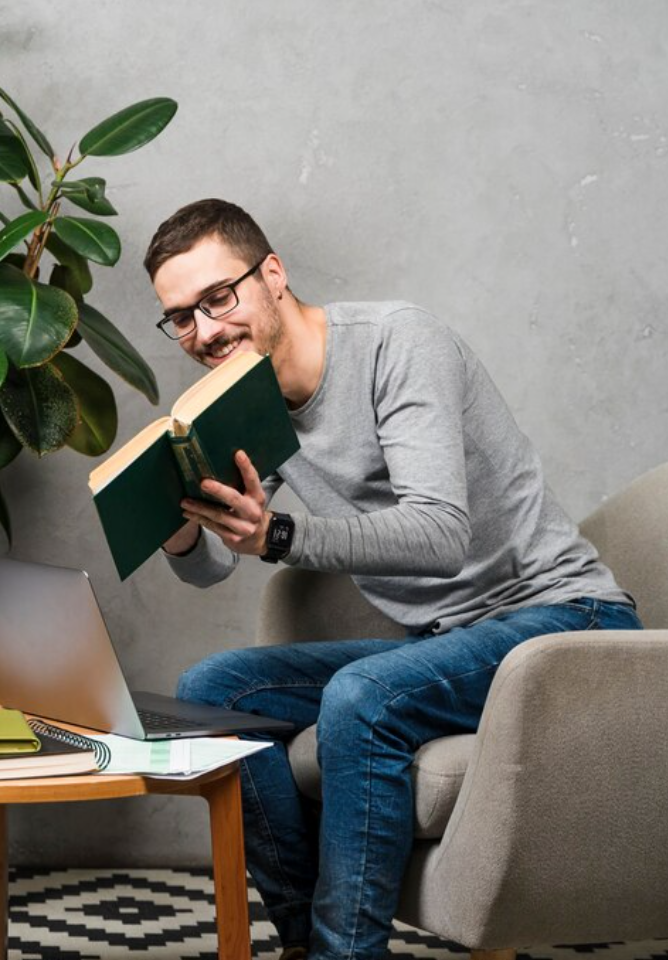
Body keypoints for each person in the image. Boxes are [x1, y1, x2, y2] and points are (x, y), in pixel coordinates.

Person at [144, 198, 639, 960]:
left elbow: (440, 535)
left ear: (272, 274)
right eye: (181, 317)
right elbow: (215, 565)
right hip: (451, 640)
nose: (204, 331)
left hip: (565, 620)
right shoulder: (249, 401)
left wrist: (277, 535)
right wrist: (180, 528)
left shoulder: (399, 343)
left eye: (218, 298)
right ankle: (311, 942)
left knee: (361, 698)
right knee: (212, 691)